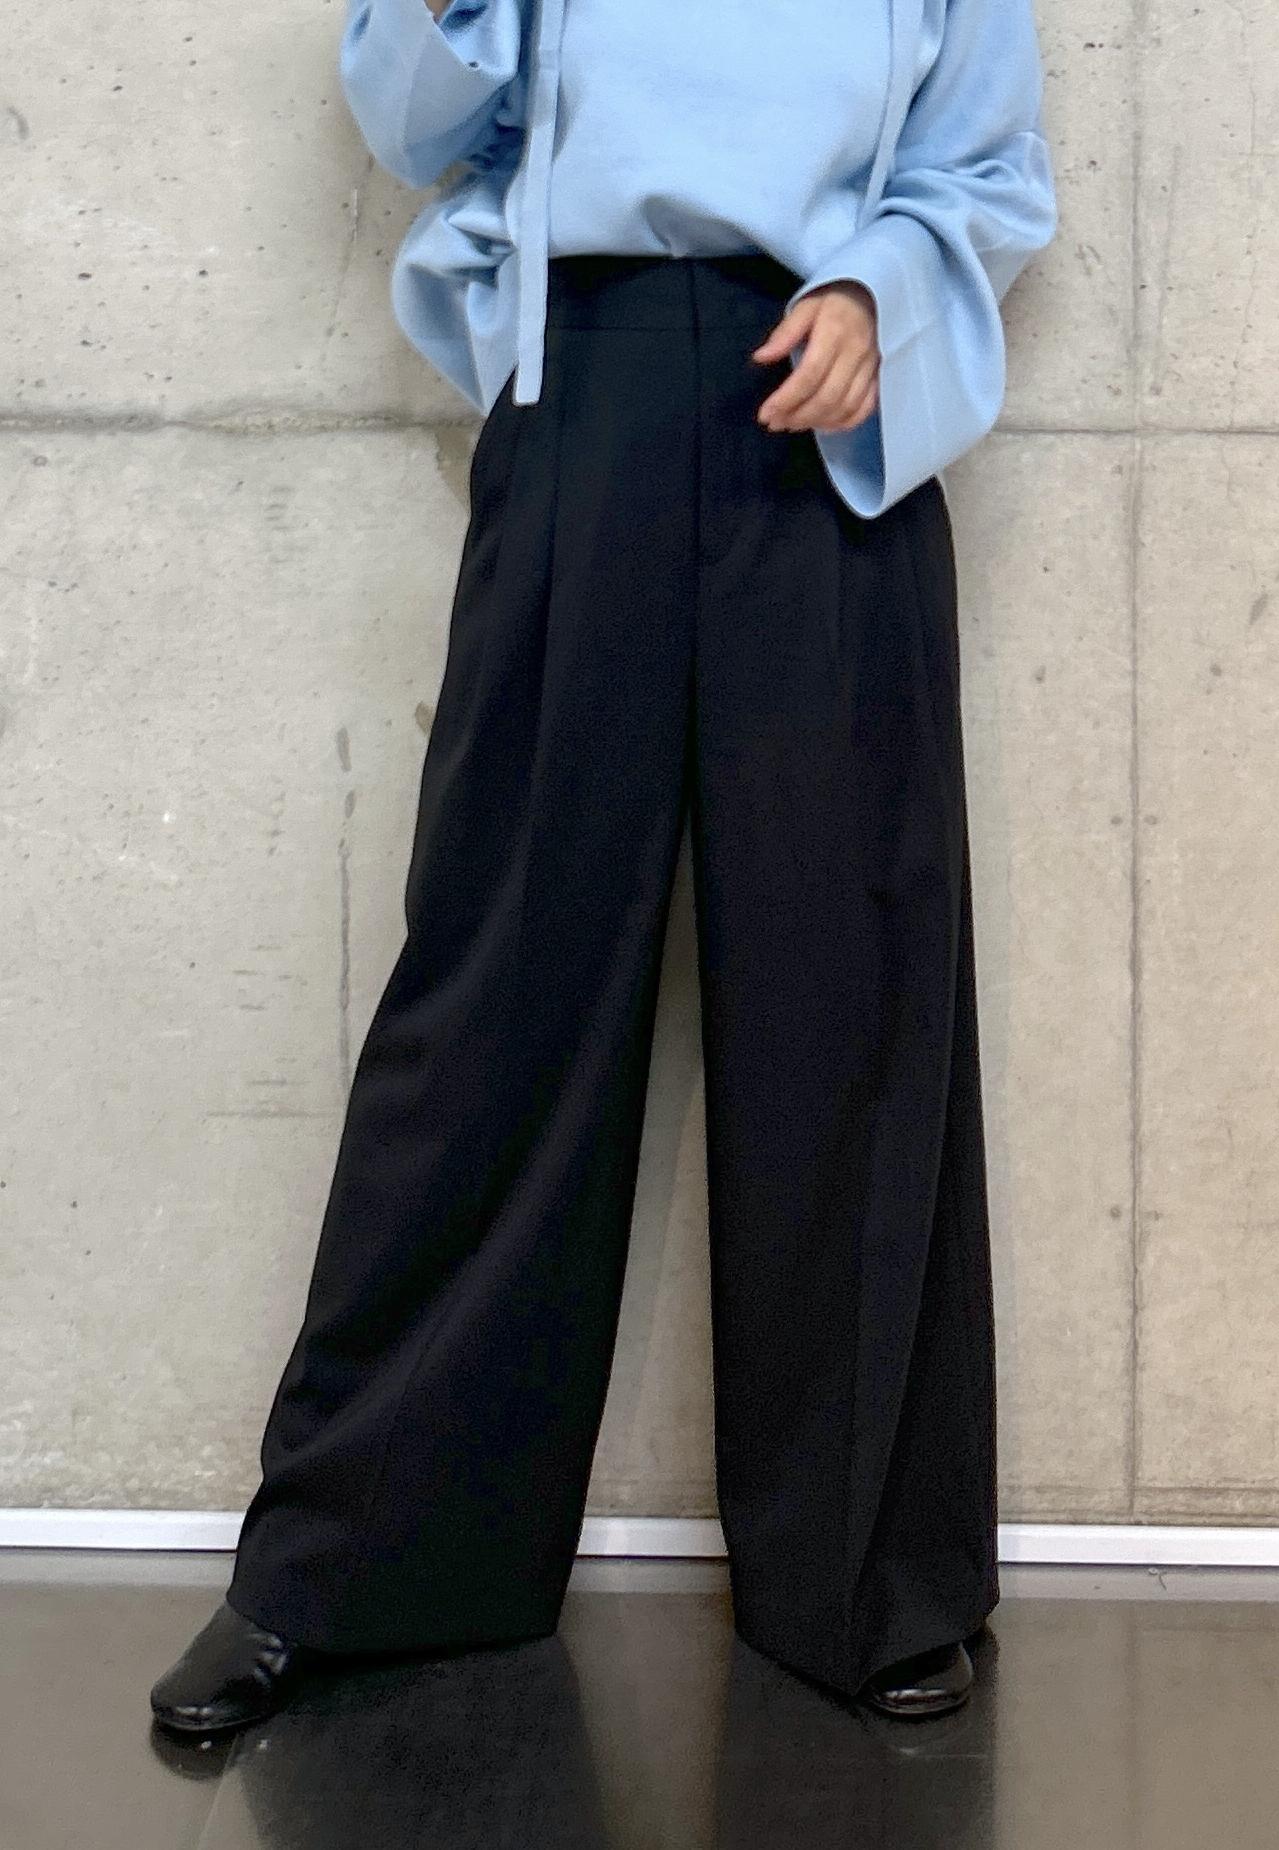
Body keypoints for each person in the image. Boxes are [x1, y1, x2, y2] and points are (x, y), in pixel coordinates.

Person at [150, 0, 1058, 1736]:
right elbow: (413, 120)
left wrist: (878, 290)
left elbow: (986, 165)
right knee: (498, 985)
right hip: (589, 391)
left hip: (831, 415)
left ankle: (871, 1572)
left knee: (850, 988)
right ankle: (349, 1564)